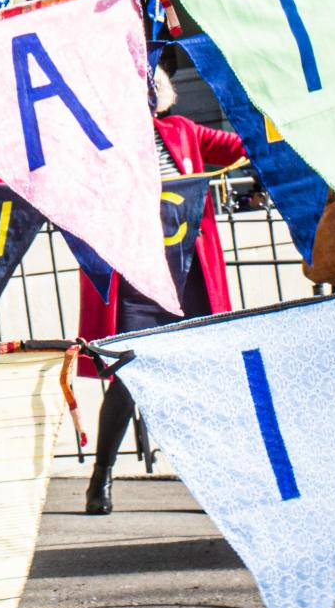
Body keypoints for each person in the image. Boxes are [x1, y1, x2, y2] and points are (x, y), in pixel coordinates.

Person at [74, 63, 248, 515]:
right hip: (136, 281)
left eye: (149, 88)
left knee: (199, 376)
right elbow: (51, 179)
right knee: (129, 377)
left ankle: (214, 479)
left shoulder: (184, 132)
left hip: (188, 276)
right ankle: (102, 478)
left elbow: (244, 147)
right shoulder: (101, 144)